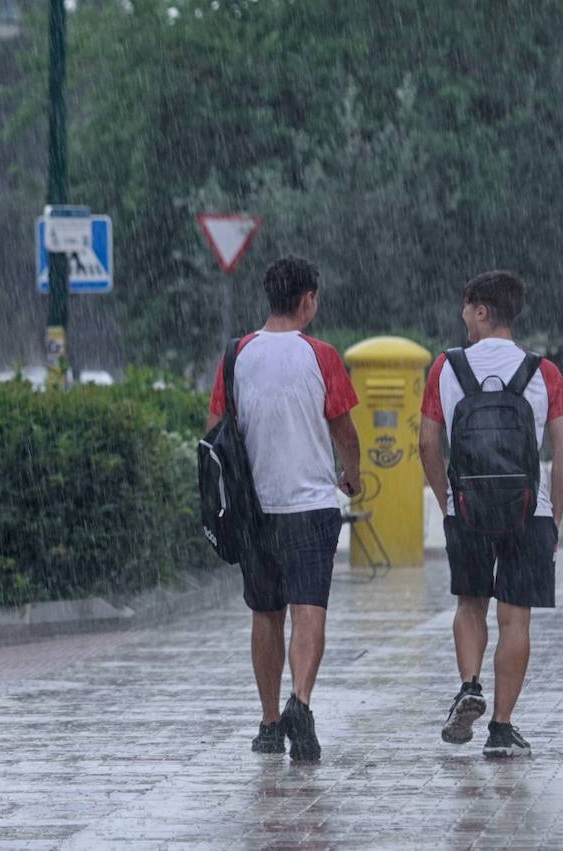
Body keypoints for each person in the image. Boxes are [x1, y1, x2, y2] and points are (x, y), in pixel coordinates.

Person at [205, 255, 362, 762]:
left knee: (265, 614)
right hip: (311, 505)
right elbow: (344, 430)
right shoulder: (322, 355)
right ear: (308, 300)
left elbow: (216, 429)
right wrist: (352, 476)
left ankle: (270, 723)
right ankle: (301, 701)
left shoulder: (236, 355)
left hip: (255, 510)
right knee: (308, 610)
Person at [418, 270, 563, 758]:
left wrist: (448, 499)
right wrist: (555, 517)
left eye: (466, 308)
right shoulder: (543, 371)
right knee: (516, 619)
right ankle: (502, 728)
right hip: (529, 509)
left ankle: (469, 684)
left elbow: (427, 442)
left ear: (482, 310)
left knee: (470, 603)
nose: (462, 317)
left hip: (466, 504)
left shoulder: (446, 368)